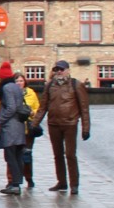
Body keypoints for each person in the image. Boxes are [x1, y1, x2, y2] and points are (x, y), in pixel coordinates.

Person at [33, 60, 91, 195]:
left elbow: (84, 108)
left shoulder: (76, 85)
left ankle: (74, 184)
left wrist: (85, 128)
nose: (59, 72)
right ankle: (62, 182)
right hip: (53, 123)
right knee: (57, 155)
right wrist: (34, 123)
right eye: (57, 69)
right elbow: (43, 107)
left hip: (70, 124)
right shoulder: (49, 86)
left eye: (62, 69)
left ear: (68, 70)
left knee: (70, 155)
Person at [0, 71, 32, 195]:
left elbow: (11, 107)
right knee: (17, 156)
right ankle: (17, 182)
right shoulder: (16, 87)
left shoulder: (7, 88)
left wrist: (2, 118)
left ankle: (15, 185)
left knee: (11, 156)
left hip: (11, 127)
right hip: (19, 126)